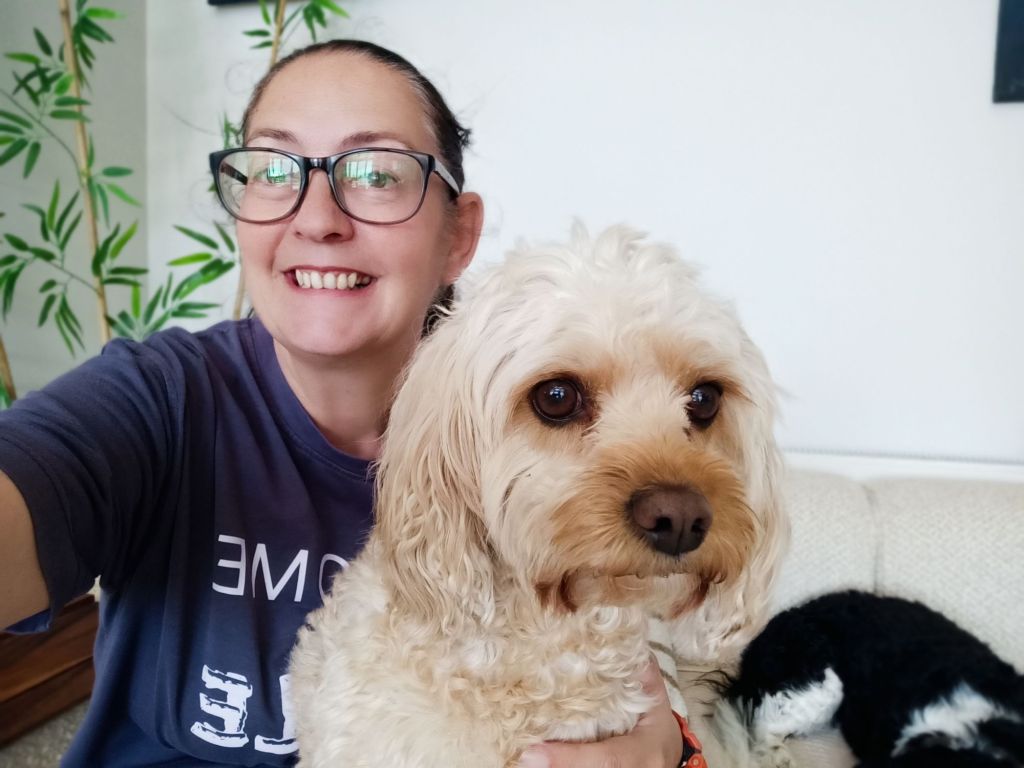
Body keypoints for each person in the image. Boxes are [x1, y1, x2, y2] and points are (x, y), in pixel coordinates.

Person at [0, 40, 687, 767]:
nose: (317, 218)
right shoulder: (160, 400)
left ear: (459, 234)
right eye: (273, 169)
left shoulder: (539, 417)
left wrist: (675, 746)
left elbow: (651, 657)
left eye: (376, 174)